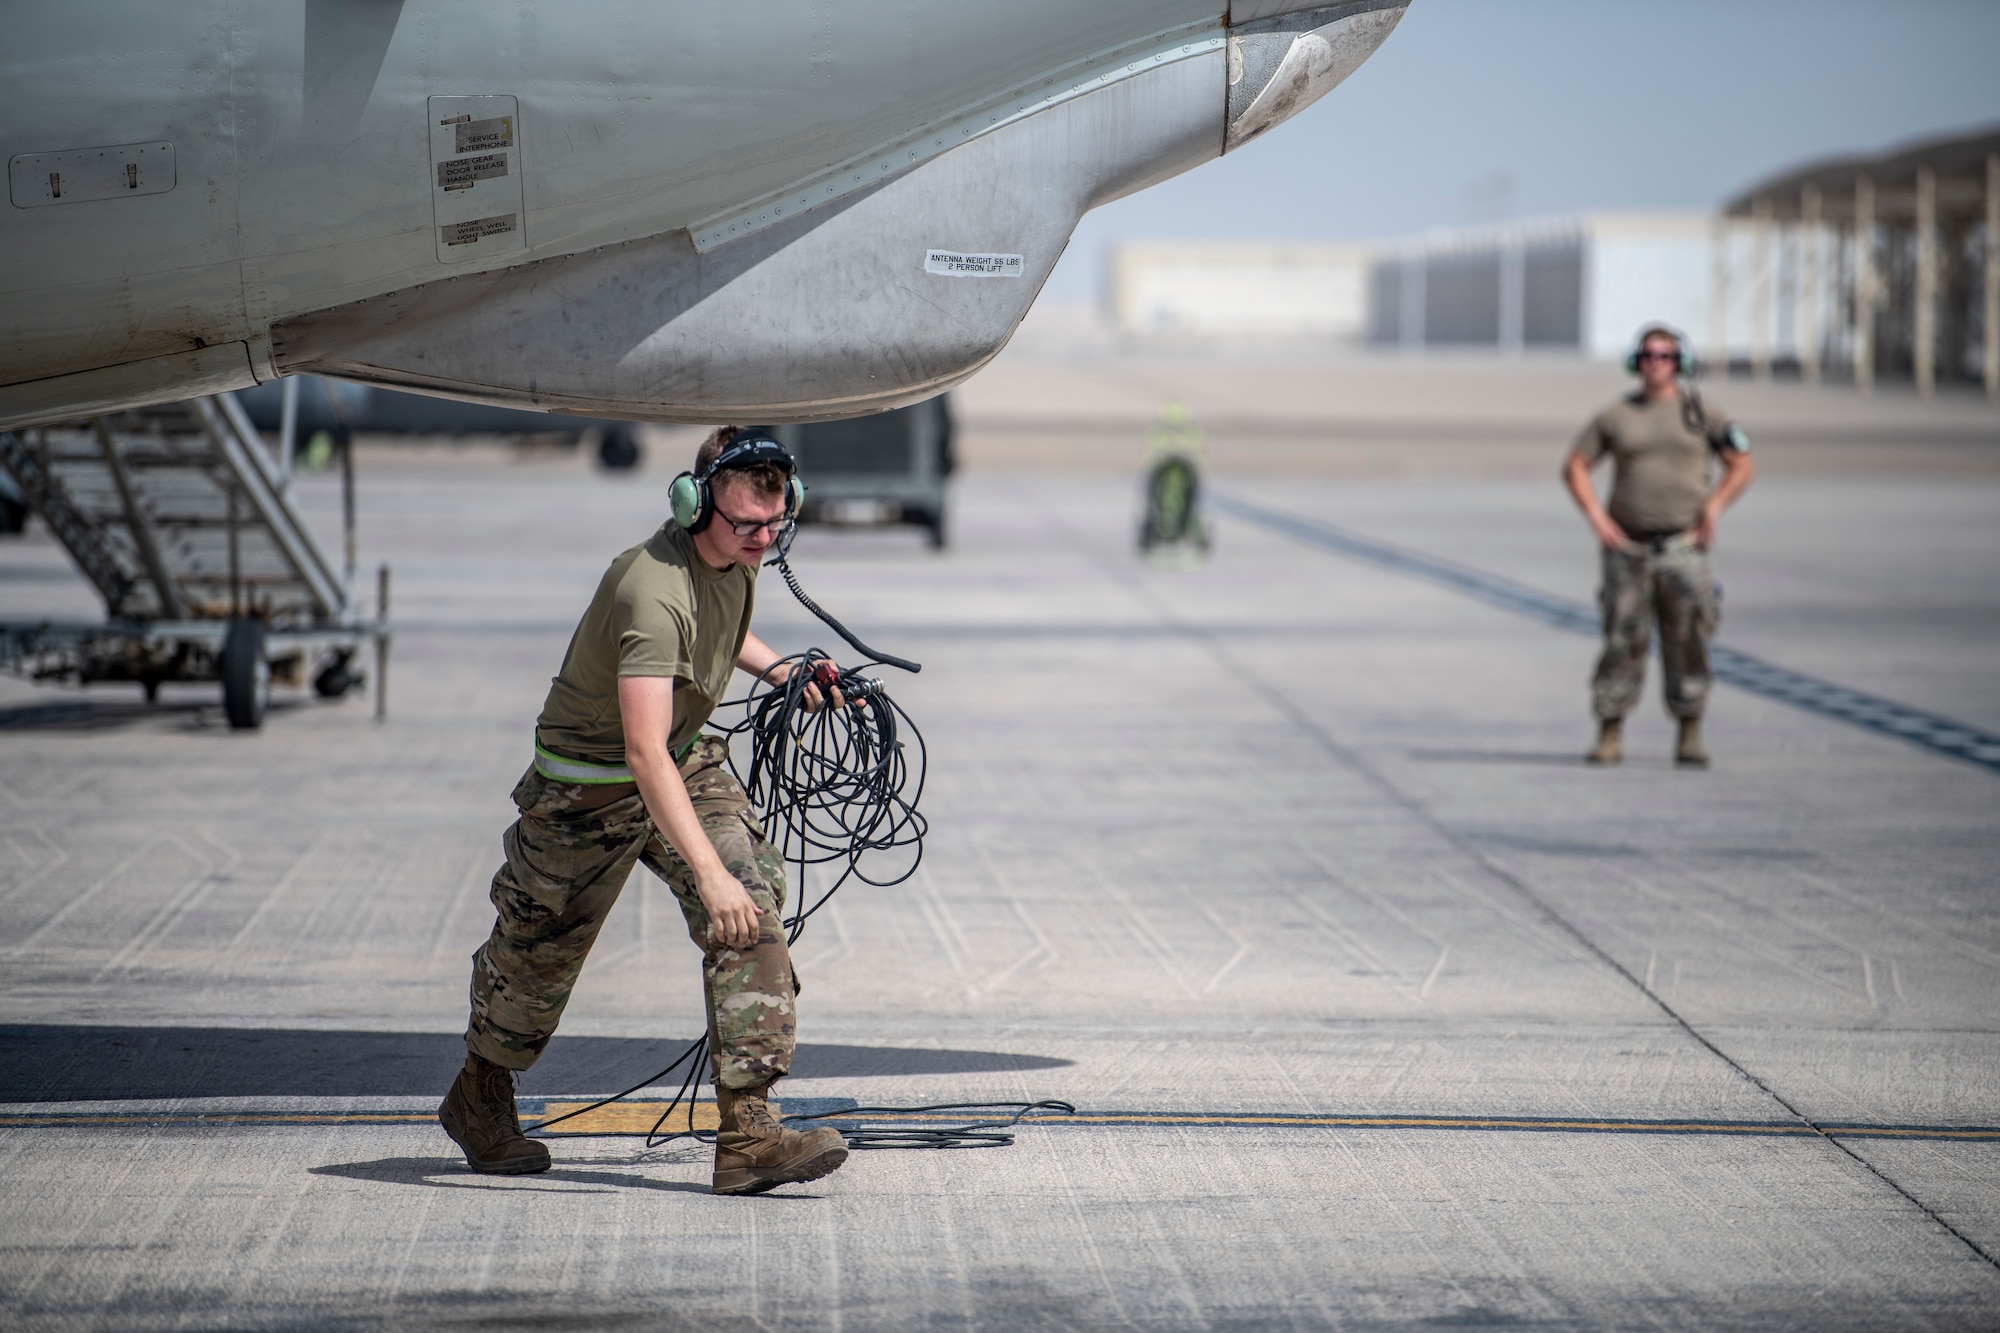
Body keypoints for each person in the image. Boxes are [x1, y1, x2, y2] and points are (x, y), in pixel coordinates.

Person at [439, 426, 852, 1195]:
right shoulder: (648, 588)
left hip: (679, 756)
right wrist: (706, 873)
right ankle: (479, 1096)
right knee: (534, 964)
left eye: (775, 524)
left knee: (749, 910)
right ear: (695, 507)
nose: (763, 540)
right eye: (745, 526)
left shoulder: (732, 559)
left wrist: (780, 667)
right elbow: (640, 752)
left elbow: (720, 629)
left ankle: (748, 1134)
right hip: (588, 786)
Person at [1562, 326, 1755, 767]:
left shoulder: (1701, 411)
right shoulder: (1616, 414)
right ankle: (1610, 730)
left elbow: (1741, 463)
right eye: (1648, 355)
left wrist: (1715, 508)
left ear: (1679, 362)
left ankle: (1689, 729)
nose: (1655, 362)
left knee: (1689, 637)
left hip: (1685, 547)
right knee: (1621, 638)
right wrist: (1597, 517)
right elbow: (1575, 465)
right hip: (1628, 547)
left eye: (1665, 355)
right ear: (1636, 361)